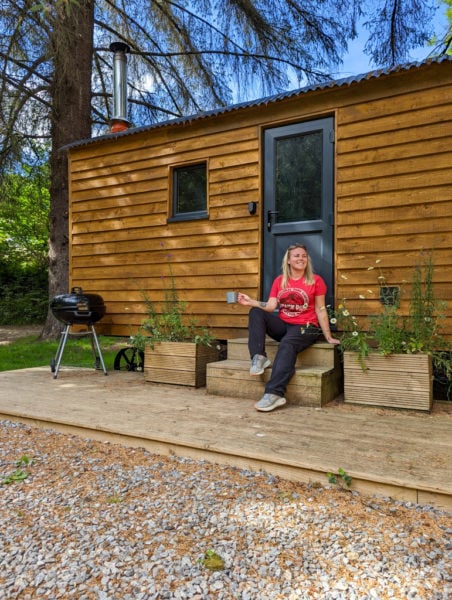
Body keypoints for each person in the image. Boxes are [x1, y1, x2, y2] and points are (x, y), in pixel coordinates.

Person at [237, 244, 340, 412]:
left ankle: (274, 393)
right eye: (296, 256)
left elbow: (320, 309)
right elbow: (270, 307)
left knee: (287, 344)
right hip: (285, 325)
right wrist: (251, 302)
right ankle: (258, 357)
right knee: (256, 312)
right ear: (289, 260)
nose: (301, 258)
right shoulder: (280, 281)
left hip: (307, 327)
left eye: (304, 256)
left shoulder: (316, 280)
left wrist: (328, 336)